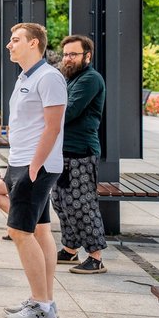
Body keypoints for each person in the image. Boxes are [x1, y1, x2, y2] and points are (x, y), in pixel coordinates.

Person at [0, 23, 66, 318]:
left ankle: (42, 306)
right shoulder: (25, 76)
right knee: (40, 231)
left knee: (20, 232)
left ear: (34, 44)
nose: (9, 44)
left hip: (36, 166)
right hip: (22, 163)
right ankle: (43, 300)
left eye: (15, 39)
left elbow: (53, 125)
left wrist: (34, 165)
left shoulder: (49, 77)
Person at [51, 35, 108, 274]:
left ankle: (96, 258)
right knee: (62, 203)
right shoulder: (70, 78)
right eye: (65, 54)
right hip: (63, 150)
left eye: (73, 54)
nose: (68, 59)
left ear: (87, 56)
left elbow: (69, 110)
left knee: (82, 204)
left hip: (81, 152)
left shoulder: (91, 79)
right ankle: (70, 249)